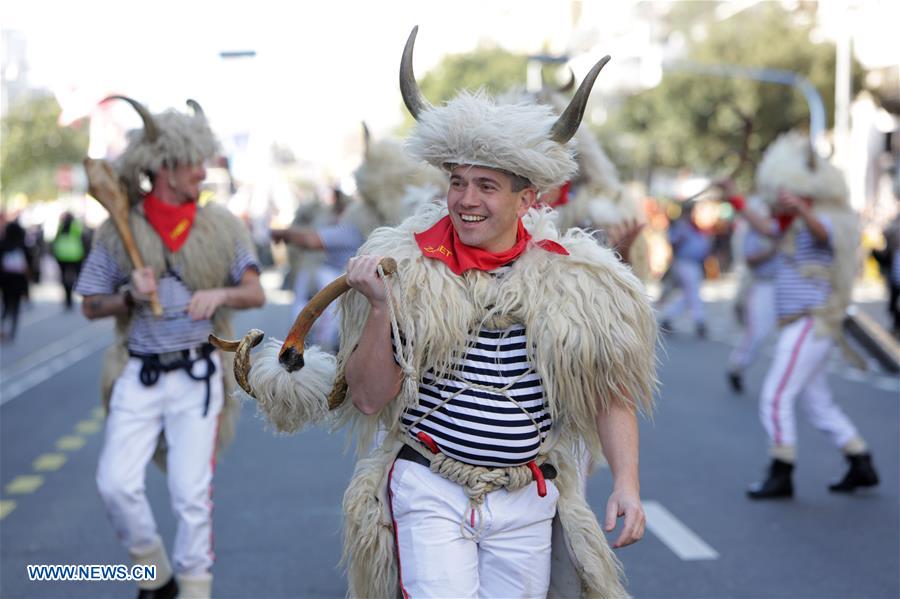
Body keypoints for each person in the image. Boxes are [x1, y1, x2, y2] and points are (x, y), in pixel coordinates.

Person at [243, 28, 656, 598]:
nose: (466, 199)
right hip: (429, 487)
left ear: (527, 198)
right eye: (458, 182)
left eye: (487, 186)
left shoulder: (575, 277)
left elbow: (611, 392)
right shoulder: (404, 266)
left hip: (527, 496)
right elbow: (366, 399)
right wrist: (383, 309)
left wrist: (627, 485)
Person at [75, 96, 264, 598]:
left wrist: (220, 293)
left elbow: (255, 291)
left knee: (190, 495)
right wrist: (128, 297)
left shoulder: (220, 225)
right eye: (193, 163)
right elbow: (90, 305)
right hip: (138, 374)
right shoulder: (118, 231)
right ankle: (153, 572)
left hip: (199, 379)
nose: (203, 172)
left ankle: (195, 590)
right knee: (115, 483)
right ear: (165, 167)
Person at [731, 131, 879, 499]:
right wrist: (734, 197)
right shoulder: (791, 224)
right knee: (817, 401)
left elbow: (824, 234)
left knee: (775, 395)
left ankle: (782, 469)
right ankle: (860, 460)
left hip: (810, 321)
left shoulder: (829, 219)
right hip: (802, 324)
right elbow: (764, 227)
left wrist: (801, 208)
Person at [270, 127, 446, 349]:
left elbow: (313, 240)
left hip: (388, 318)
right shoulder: (430, 217)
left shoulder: (362, 221)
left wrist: (282, 233)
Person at [723, 190, 778, 393]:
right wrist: (772, 251)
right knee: (758, 332)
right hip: (762, 284)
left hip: (783, 286)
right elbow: (749, 259)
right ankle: (737, 365)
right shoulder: (754, 232)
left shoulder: (781, 225)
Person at [658, 202, 712, 337]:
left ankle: (667, 318)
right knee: (693, 293)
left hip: (694, 263)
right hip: (685, 262)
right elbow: (673, 241)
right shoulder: (681, 225)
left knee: (688, 295)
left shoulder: (691, 226)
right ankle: (700, 322)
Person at [0, 219, 31, 341]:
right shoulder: (22, 246)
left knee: (6, 304)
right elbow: (29, 263)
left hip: (6, 280)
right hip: (18, 281)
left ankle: (3, 328)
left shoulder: (3, 245)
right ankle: (12, 330)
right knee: (15, 305)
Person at [52, 211, 89, 310]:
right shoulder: (76, 226)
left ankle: (68, 298)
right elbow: (84, 239)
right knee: (78, 276)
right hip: (75, 255)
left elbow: (55, 240)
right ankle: (82, 296)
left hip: (62, 256)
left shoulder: (61, 226)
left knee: (64, 277)